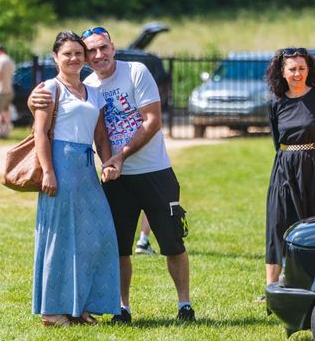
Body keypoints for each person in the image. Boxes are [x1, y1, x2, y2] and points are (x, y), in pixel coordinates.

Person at [29, 26, 194, 322]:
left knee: (172, 242)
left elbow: (150, 122)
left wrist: (117, 158)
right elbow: (49, 124)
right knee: (115, 246)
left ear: (113, 47)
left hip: (152, 170)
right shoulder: (82, 84)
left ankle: (184, 305)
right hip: (108, 176)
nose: (97, 54)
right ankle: (121, 308)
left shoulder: (134, 72)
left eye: (102, 47)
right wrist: (33, 101)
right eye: (89, 50)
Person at [32, 30, 121, 327]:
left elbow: (101, 135)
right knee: (60, 237)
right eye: (67, 53)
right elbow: (39, 133)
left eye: (78, 53)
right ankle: (52, 311)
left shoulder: (93, 92)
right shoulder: (50, 88)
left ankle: (79, 305)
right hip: (60, 164)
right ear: (55, 57)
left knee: (95, 236)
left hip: (85, 168)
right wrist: (48, 171)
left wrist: (107, 162)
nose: (73, 58)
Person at [263, 47, 315, 288]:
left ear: (309, 70)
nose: (297, 73)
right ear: (282, 72)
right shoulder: (275, 102)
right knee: (277, 223)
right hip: (285, 168)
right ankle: (271, 287)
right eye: (292, 69)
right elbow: (278, 142)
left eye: (301, 68)